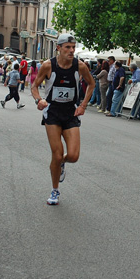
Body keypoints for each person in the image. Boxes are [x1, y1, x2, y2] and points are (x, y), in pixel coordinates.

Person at [30, 34, 95, 205]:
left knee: (73, 156)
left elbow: (91, 84)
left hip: (70, 113)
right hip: (52, 113)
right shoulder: (48, 65)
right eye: (67, 47)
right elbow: (34, 86)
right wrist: (39, 100)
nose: (72, 50)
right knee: (56, 155)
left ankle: (62, 163)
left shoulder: (79, 66)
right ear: (58, 48)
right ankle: (55, 190)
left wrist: (83, 105)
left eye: (73, 47)